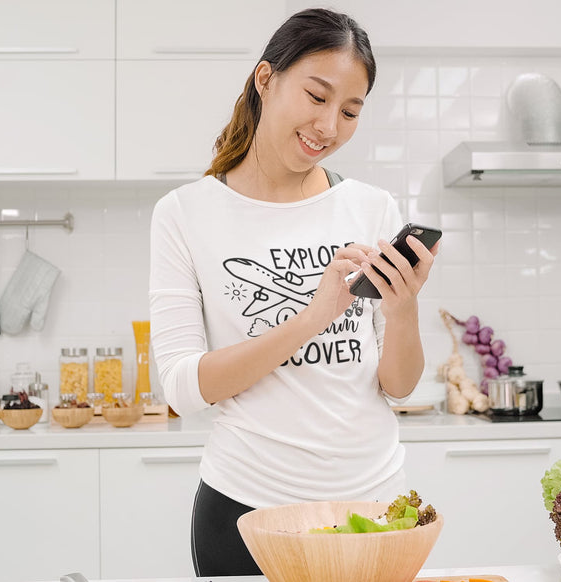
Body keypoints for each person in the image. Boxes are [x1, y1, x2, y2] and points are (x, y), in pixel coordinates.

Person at [149, 8, 439, 577]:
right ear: (265, 80)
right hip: (248, 511)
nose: (329, 126)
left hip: (375, 508)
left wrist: (403, 309)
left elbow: (399, 386)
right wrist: (313, 317)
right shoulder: (185, 214)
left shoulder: (371, 208)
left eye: (350, 110)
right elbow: (184, 388)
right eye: (316, 96)